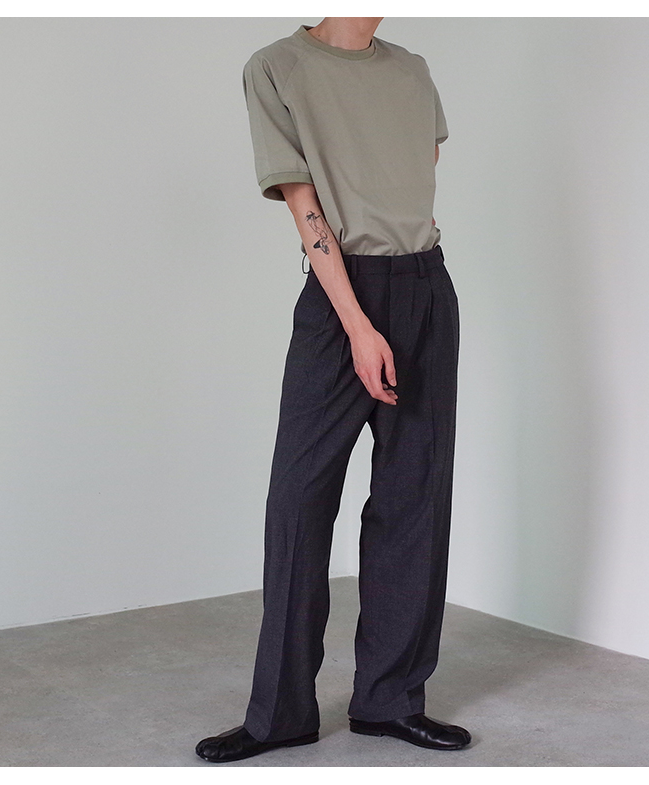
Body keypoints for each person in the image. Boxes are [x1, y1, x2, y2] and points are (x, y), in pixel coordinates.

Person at [195, 17, 467, 763]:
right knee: (300, 500)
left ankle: (391, 699)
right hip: (340, 297)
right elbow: (302, 202)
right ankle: (280, 712)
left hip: (425, 286)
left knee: (415, 499)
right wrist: (358, 325)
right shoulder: (277, 66)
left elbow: (422, 165)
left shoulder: (412, 69)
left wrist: (408, 258)